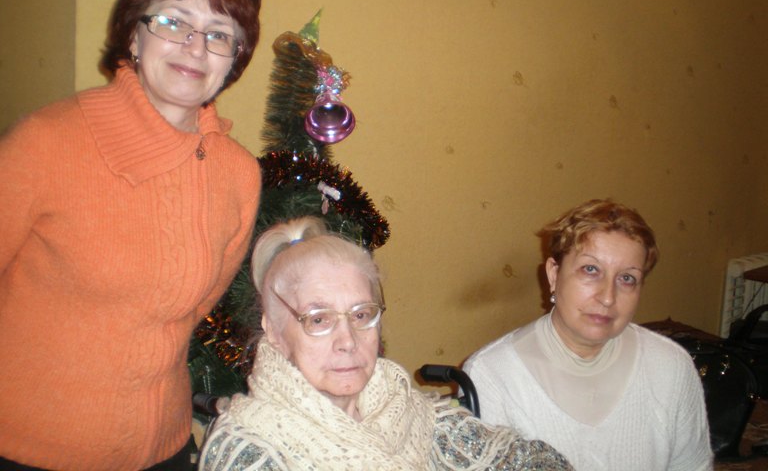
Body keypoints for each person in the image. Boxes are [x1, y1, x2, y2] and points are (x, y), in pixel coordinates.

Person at [0, 0, 263, 470]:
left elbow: (193, 309)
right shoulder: (46, 142)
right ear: (133, 34)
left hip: (164, 448)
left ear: (234, 60)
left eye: (218, 34)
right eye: (173, 21)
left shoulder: (238, 173)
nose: (195, 47)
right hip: (28, 447)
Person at [199, 217, 574, 470]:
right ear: (274, 331)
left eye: (361, 314)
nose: (348, 341)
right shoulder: (249, 450)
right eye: (318, 319)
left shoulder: (408, 409)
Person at [464, 199, 714, 471]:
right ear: (554, 275)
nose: (607, 297)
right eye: (591, 270)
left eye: (627, 278)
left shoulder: (670, 366)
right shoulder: (492, 376)